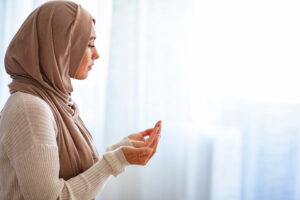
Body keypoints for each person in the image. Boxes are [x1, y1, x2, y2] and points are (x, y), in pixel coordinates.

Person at [0, 1, 162, 199]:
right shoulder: (30, 108)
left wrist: (120, 149)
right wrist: (116, 160)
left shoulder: (58, 101)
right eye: (90, 44)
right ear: (60, 46)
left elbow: (74, 178)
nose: (97, 54)